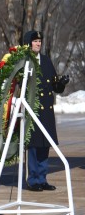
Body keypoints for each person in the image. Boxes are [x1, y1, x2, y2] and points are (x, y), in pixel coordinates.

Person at [24, 30, 69, 191]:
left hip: (47, 109)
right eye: (35, 41)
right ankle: (33, 179)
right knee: (34, 145)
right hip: (33, 109)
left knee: (45, 145)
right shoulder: (25, 61)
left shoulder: (46, 60)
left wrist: (62, 83)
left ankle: (42, 178)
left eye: (39, 41)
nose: (38, 44)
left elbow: (55, 85)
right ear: (29, 43)